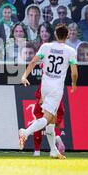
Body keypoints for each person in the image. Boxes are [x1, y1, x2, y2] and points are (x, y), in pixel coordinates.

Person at [19, 24, 78, 159]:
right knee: (47, 118)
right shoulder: (70, 51)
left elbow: (34, 61)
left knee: (53, 118)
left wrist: (24, 76)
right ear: (67, 35)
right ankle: (25, 132)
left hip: (44, 86)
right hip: (56, 89)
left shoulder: (46, 47)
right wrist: (74, 84)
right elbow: (74, 73)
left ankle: (53, 150)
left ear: (56, 35)